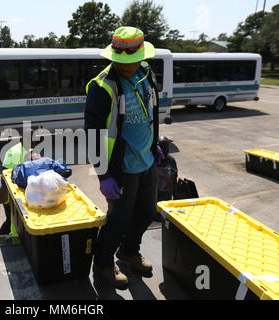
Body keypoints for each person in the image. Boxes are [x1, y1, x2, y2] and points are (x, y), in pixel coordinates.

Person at [85, 26, 161, 287]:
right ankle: (103, 265)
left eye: (131, 60)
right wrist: (103, 175)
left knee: (148, 212)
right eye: (120, 60)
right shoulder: (102, 87)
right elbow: (92, 135)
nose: (125, 65)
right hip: (122, 169)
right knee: (118, 221)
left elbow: (151, 114)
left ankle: (129, 251)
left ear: (141, 56)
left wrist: (154, 144)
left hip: (146, 162)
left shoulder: (146, 76)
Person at [0, 129, 41, 235]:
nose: (34, 141)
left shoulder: (29, 150)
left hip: (19, 192)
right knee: (10, 219)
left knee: (12, 220)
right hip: (9, 193)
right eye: (31, 138)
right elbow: (4, 173)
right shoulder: (14, 152)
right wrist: (5, 193)